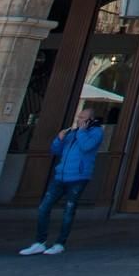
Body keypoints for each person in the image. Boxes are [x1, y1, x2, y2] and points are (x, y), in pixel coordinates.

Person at [21, 107, 104, 256]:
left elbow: (87, 147)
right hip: (60, 176)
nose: (79, 119)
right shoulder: (72, 133)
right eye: (79, 116)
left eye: (83, 117)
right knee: (43, 208)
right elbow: (56, 151)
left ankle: (60, 243)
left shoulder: (95, 133)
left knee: (68, 211)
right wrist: (58, 139)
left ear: (91, 119)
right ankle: (39, 242)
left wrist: (82, 132)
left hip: (78, 177)